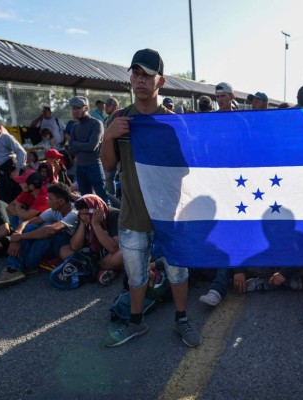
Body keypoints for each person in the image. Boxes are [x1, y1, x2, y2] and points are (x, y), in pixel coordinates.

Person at [100, 48, 200, 347]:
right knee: (135, 275)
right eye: (136, 74)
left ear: (161, 81)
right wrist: (109, 136)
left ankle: (182, 319)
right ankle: (136, 322)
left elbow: (186, 169)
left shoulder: (173, 123)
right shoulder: (119, 119)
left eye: (147, 75)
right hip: (132, 213)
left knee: (177, 271)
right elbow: (107, 165)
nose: (140, 80)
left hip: (169, 213)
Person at [0, 182, 79, 288]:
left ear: (61, 201)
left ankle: (23, 266)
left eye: (50, 199)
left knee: (47, 235)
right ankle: (13, 268)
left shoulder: (74, 213)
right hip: (53, 240)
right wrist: (16, 236)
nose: (47, 201)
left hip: (65, 243)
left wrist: (20, 237)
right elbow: (27, 222)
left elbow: (51, 230)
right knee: (30, 228)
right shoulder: (55, 210)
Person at [60, 194, 123, 285]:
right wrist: (82, 223)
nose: (83, 216)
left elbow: (113, 248)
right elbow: (74, 246)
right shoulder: (83, 218)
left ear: (97, 210)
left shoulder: (114, 215)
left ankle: (92, 268)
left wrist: (95, 225)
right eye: (80, 213)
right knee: (64, 251)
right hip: (92, 254)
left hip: (109, 254)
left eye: (86, 214)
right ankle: (102, 270)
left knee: (121, 256)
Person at [67, 96, 111, 204]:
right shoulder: (75, 126)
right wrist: (81, 145)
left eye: (77, 108)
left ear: (86, 108)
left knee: (103, 199)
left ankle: (110, 219)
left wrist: (76, 144)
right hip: (80, 168)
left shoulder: (96, 124)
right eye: (73, 108)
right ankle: (90, 221)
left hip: (94, 166)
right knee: (86, 201)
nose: (74, 111)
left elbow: (92, 146)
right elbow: (70, 149)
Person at [0, 116, 26, 203]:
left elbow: (21, 152)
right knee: (4, 200)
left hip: (11, 172)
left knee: (18, 199)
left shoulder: (7, 138)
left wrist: (18, 169)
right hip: (1, 175)